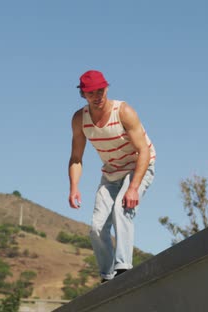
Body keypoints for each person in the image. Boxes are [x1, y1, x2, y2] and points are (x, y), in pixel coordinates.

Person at [68, 70, 156, 283]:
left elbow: (143, 151)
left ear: (106, 88)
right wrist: (74, 187)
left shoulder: (123, 111)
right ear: (83, 95)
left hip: (139, 166)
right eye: (91, 93)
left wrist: (133, 187)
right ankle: (108, 278)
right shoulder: (80, 119)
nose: (98, 96)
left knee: (121, 209)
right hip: (111, 173)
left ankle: (124, 268)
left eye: (101, 91)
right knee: (97, 228)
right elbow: (76, 157)